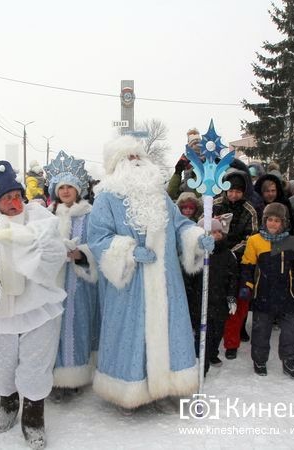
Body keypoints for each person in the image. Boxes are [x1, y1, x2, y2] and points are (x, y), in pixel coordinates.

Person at [87, 136, 213, 411]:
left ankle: (168, 384)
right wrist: (129, 252)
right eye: (128, 158)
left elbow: (179, 225)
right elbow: (97, 238)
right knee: (131, 334)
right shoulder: (106, 198)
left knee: (168, 330)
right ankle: (130, 388)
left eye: (137, 157)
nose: (135, 163)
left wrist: (195, 237)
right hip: (130, 285)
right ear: (116, 165)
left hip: (166, 280)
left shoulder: (160, 196)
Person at [0, 161, 67, 449]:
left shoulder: (39, 217)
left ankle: (33, 415)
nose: (14, 202)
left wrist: (29, 243)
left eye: (17, 196)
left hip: (37, 303)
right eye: (6, 198)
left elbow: (56, 253)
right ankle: (7, 402)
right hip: (1, 309)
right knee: (2, 362)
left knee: (36, 362)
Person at [44, 151, 99, 402]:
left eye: (70, 187)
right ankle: (52, 374)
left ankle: (75, 375)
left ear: (79, 190)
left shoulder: (90, 215)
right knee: (51, 327)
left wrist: (82, 255)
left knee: (76, 325)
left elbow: (99, 246)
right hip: (51, 283)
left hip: (80, 284)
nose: (65, 191)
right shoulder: (46, 217)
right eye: (61, 187)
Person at [240, 203, 294, 379]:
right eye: (269, 219)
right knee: (261, 330)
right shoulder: (255, 240)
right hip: (263, 293)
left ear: (283, 223)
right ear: (264, 221)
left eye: (277, 220)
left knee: (291, 331)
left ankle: (290, 360)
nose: (273, 223)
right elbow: (247, 265)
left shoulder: (292, 242)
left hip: (288, 294)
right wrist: (246, 285)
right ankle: (259, 359)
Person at [212, 169, 258, 359]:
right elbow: (202, 226)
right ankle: (212, 340)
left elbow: (252, 237)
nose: (233, 194)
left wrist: (231, 252)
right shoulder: (214, 205)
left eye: (238, 191)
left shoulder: (249, 210)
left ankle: (232, 342)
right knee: (214, 301)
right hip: (214, 257)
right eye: (230, 190)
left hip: (238, 260)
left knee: (235, 303)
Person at [184, 215, 237, 376]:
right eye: (209, 232)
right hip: (199, 301)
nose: (214, 235)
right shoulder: (195, 254)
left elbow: (233, 277)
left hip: (219, 301)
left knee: (217, 332)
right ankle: (202, 363)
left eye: (216, 232)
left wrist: (231, 296)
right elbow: (188, 278)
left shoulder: (228, 255)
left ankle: (212, 353)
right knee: (202, 334)